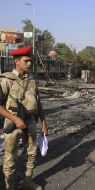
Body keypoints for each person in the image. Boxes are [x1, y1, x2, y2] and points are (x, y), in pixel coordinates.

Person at [0, 46, 48, 190]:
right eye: (26, 61)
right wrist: (15, 119)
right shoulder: (6, 80)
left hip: (30, 121)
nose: (29, 64)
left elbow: (38, 102)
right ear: (17, 62)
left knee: (32, 153)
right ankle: (10, 186)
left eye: (30, 61)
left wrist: (44, 123)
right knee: (10, 156)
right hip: (13, 123)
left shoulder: (32, 80)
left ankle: (28, 181)